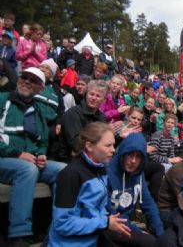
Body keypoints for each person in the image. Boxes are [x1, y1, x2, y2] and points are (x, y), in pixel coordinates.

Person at [0, 67, 66, 247]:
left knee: (63, 170)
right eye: (24, 77)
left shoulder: (38, 111)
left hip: (27, 162)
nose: (27, 81)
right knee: (26, 169)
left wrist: (42, 155)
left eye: (33, 80)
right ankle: (19, 234)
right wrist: (17, 154)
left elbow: (43, 141)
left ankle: (58, 227)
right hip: (6, 159)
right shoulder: (2, 100)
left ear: (41, 88)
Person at [48, 122, 130, 246]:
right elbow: (62, 223)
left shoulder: (101, 169)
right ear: (89, 146)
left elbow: (98, 209)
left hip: (94, 237)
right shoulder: (70, 175)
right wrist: (105, 223)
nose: (113, 150)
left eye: (113, 145)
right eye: (108, 145)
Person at [106, 132, 163, 246]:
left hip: (127, 222)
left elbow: (148, 202)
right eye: (130, 155)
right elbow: (108, 210)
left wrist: (160, 233)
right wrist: (137, 231)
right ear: (122, 153)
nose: (133, 161)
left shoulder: (137, 172)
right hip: (109, 223)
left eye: (138, 157)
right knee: (149, 242)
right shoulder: (107, 172)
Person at [55, 80, 109, 162]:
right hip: (68, 160)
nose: (93, 98)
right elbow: (76, 144)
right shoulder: (73, 113)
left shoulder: (101, 117)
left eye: (98, 96)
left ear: (104, 100)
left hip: (91, 157)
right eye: (91, 94)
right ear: (86, 94)